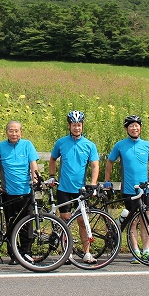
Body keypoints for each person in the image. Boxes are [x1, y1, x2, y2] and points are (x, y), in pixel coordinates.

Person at [104, 114, 149, 264]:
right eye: (131, 126)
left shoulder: (147, 145)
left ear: (140, 127)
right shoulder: (120, 145)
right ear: (126, 129)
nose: (134, 128)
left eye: (136, 125)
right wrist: (107, 180)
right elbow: (109, 161)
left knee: (146, 220)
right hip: (129, 189)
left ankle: (146, 251)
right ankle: (136, 251)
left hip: (144, 189)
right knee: (133, 222)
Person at [47, 110, 100, 264]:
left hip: (81, 190)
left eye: (79, 125)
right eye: (74, 125)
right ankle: (67, 252)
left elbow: (95, 165)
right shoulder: (61, 142)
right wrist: (52, 176)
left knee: (83, 222)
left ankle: (87, 253)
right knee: (65, 221)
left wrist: (93, 184)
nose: (77, 128)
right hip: (64, 188)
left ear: (82, 126)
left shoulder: (89, 145)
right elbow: (52, 159)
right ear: (69, 125)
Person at [0, 120, 39, 262]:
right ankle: (14, 255)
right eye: (11, 130)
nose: (14, 133)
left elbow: (33, 164)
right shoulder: (0, 147)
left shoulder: (27, 145)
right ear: (6, 132)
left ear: (21, 132)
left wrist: (35, 179)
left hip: (26, 192)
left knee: (27, 225)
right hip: (8, 193)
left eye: (16, 131)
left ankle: (26, 252)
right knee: (11, 225)